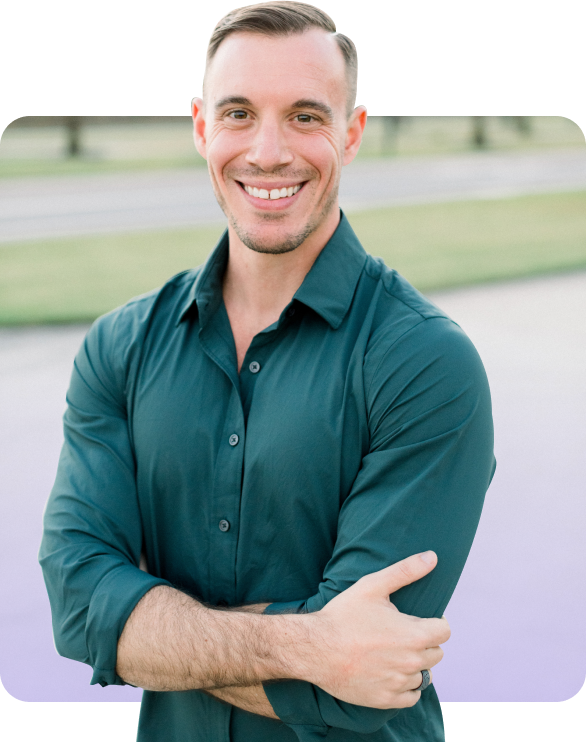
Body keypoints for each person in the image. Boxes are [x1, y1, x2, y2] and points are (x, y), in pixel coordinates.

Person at [39, 3, 496, 740]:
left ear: (352, 132)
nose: (269, 151)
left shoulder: (426, 365)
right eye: (240, 113)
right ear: (201, 128)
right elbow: (79, 605)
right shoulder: (118, 349)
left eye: (307, 117)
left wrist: (154, 630)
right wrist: (312, 644)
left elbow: (360, 685)